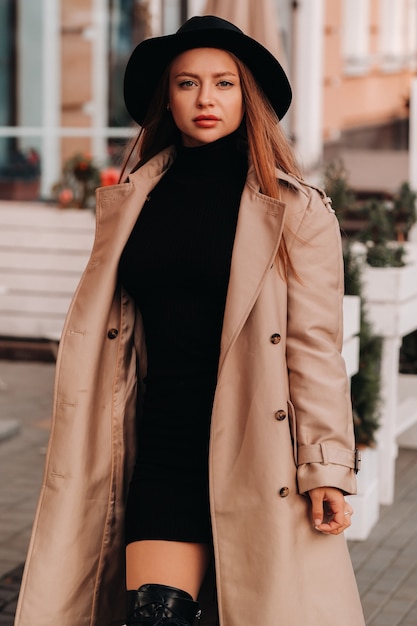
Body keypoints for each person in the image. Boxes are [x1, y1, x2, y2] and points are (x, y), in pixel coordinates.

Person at [15, 15, 365, 626]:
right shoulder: (134, 198)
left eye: (224, 83)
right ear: (166, 99)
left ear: (246, 96)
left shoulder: (295, 209)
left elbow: (314, 349)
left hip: (258, 455)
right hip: (162, 449)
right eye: (187, 83)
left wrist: (328, 468)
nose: (206, 99)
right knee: (156, 615)